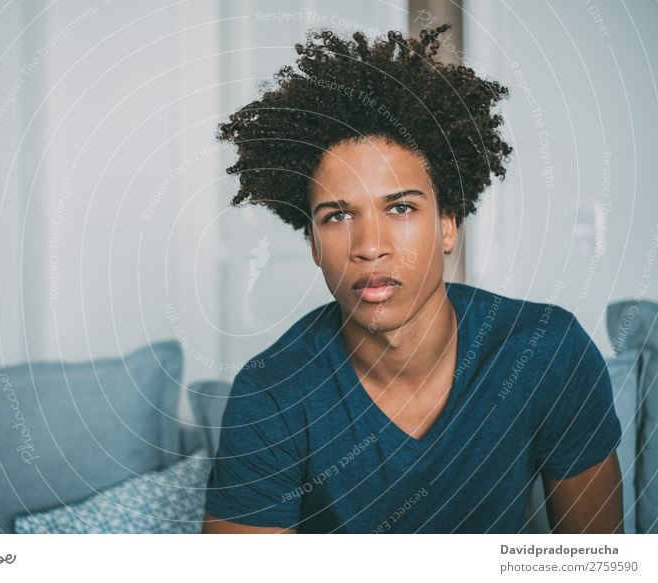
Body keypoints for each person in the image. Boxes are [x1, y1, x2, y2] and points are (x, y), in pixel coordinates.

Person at [202, 24, 623, 534]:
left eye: (400, 207)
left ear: (448, 225)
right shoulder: (270, 394)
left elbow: (595, 560)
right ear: (313, 243)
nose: (369, 245)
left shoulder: (546, 354)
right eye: (337, 216)